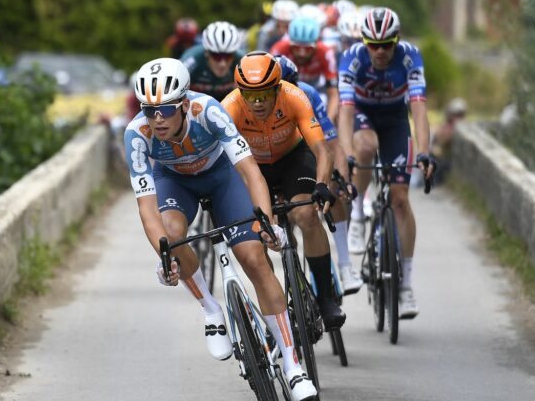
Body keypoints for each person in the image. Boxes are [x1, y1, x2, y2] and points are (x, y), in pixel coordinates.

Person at [124, 58, 317, 400]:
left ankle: (292, 365)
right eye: (149, 109)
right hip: (175, 183)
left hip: (222, 177)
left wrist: (268, 223)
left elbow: (250, 172)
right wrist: (166, 254)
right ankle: (211, 309)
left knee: (253, 258)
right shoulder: (136, 135)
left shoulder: (208, 111)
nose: (157, 119)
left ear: (184, 104)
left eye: (166, 109)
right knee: (170, 234)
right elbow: (146, 208)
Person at [222, 52, 347, 329]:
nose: (256, 102)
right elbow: (220, 161)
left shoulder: (294, 97)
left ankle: (325, 298)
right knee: (258, 233)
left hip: (292, 158)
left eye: (264, 94)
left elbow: (321, 150)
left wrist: (322, 185)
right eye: (249, 94)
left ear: (277, 88)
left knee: (306, 215)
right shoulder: (228, 108)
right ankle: (275, 298)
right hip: (253, 166)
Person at [337, 7, 436, 319]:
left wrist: (425, 152)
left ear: (397, 40)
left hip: (395, 120)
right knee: (365, 146)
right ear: (364, 42)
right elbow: (345, 112)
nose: (379, 52)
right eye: (373, 44)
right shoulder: (352, 57)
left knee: (401, 200)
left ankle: (405, 286)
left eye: (386, 44)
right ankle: (357, 213)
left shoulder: (410, 58)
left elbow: (419, 109)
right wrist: (347, 157)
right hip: (363, 114)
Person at [275, 54, 363, 294]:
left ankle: (345, 265)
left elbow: (332, 144)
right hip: (271, 160)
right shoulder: (254, 103)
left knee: (330, 189)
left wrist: (343, 180)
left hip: (306, 154)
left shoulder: (308, 95)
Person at [270, 16, 340, 127]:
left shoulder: (325, 52)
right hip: (286, 90)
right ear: (290, 43)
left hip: (316, 90)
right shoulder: (279, 49)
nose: (302, 53)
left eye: (308, 49)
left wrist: (328, 124)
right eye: (297, 48)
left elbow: (333, 94)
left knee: (335, 111)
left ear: (316, 44)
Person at [180, 21, 244, 102]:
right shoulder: (192, 60)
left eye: (228, 56)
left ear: (234, 54)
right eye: (216, 56)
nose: (222, 64)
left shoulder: (241, 61)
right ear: (207, 53)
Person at [431, 97, 467, 185]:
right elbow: (438, 145)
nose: (457, 118)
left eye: (460, 115)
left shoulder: (465, 127)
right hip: (442, 161)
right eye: (456, 115)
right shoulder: (444, 128)